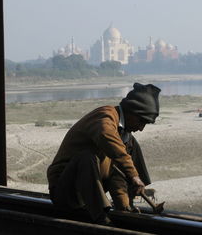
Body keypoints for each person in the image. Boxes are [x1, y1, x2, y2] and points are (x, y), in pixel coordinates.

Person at [47, 83, 161, 225]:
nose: (141, 128)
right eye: (141, 121)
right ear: (131, 112)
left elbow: (118, 173)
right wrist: (134, 175)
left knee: (120, 163)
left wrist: (124, 209)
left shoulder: (126, 136)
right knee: (87, 157)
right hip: (65, 193)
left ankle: (122, 208)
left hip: (86, 196)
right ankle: (100, 217)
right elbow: (111, 143)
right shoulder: (105, 117)